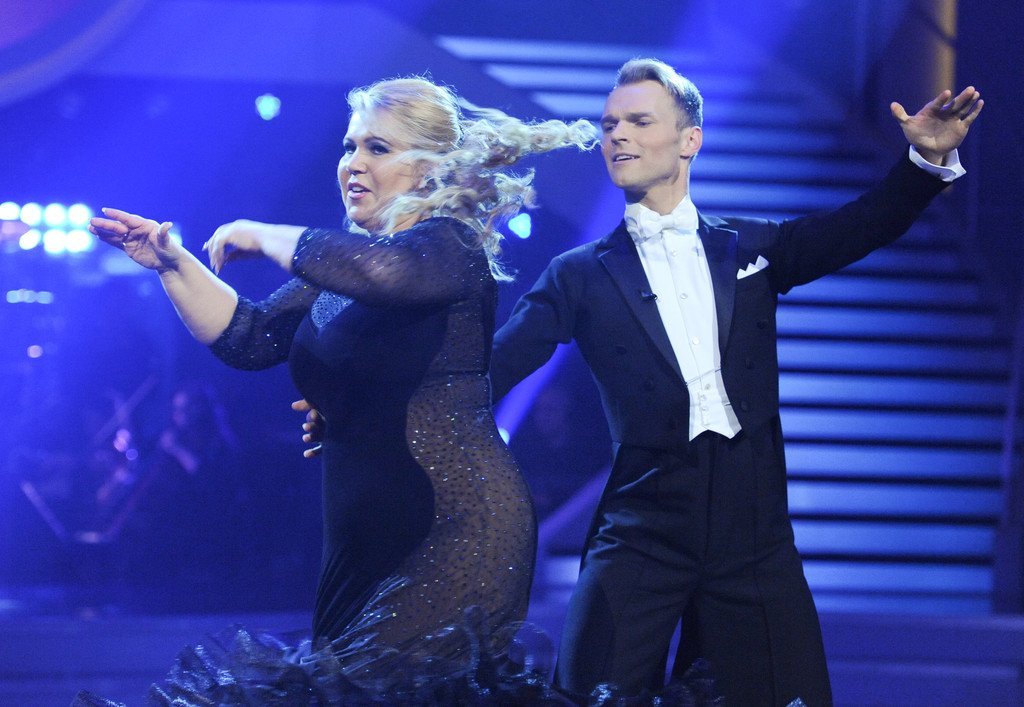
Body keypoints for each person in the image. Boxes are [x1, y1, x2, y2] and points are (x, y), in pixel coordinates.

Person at [482, 59, 982, 705]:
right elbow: (497, 364)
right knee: (588, 691)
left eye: (639, 121)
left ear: (689, 139)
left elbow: (858, 227)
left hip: (754, 529)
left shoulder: (748, 246)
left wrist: (921, 165)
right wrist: (389, 405)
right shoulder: (578, 273)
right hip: (644, 521)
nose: (618, 135)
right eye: (609, 125)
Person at [83, 77, 597, 701]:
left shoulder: (448, 246)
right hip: (360, 545)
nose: (353, 162)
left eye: (377, 148)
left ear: (430, 168)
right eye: (350, 146)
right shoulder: (342, 271)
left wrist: (262, 233)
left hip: (455, 528)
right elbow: (251, 338)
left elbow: (389, 275)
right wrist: (173, 263)